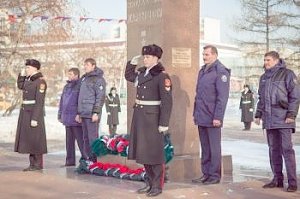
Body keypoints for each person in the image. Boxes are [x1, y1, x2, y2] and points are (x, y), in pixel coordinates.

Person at [125, 44, 172, 197]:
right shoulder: (142, 73)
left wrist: (164, 123)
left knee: (154, 154)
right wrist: (131, 63)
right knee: (144, 152)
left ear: (156, 58)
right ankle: (150, 183)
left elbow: (167, 101)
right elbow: (129, 76)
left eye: (149, 57)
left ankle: (157, 186)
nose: (145, 59)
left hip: (153, 118)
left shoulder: (161, 76)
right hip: (140, 116)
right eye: (144, 57)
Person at [254, 51, 300, 192]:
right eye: (264, 60)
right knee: (273, 150)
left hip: (284, 118)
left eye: (268, 60)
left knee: (287, 150)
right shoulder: (263, 78)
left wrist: (291, 114)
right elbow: (261, 98)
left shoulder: (287, 74)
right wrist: (258, 114)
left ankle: (292, 182)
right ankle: (277, 179)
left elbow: (295, 96)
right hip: (269, 120)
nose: (265, 62)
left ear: (276, 60)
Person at [192, 45, 230, 185]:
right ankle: (206, 173)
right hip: (202, 115)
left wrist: (218, 117)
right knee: (205, 147)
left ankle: (214, 175)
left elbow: (222, 97)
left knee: (214, 148)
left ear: (214, 55)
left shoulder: (221, 72)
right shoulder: (202, 71)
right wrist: (196, 113)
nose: (204, 57)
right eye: (203, 54)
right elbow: (199, 95)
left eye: (207, 54)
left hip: (213, 117)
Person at [14, 59, 47, 171]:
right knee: (29, 138)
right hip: (26, 112)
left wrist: (35, 118)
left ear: (35, 68)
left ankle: (38, 164)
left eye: (28, 68)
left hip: (33, 113)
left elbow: (39, 101)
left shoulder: (40, 82)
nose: (26, 69)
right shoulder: (29, 80)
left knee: (36, 139)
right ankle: (32, 164)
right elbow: (21, 86)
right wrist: (22, 76)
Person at [76, 58, 106, 163]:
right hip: (84, 113)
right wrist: (78, 113)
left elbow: (100, 97)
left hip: (91, 113)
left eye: (87, 65)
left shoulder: (98, 79)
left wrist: (96, 112)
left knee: (92, 138)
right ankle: (88, 158)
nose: (85, 67)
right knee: (85, 138)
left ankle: (94, 160)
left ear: (93, 66)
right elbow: (80, 97)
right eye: (84, 65)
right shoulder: (84, 79)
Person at [58, 68, 87, 166]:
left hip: (75, 118)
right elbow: (62, 101)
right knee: (69, 142)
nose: (69, 76)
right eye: (68, 74)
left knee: (80, 141)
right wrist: (60, 114)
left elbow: (81, 101)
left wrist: (79, 114)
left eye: (71, 74)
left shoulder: (80, 86)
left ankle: (85, 159)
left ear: (76, 75)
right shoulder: (66, 87)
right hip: (67, 118)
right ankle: (70, 161)